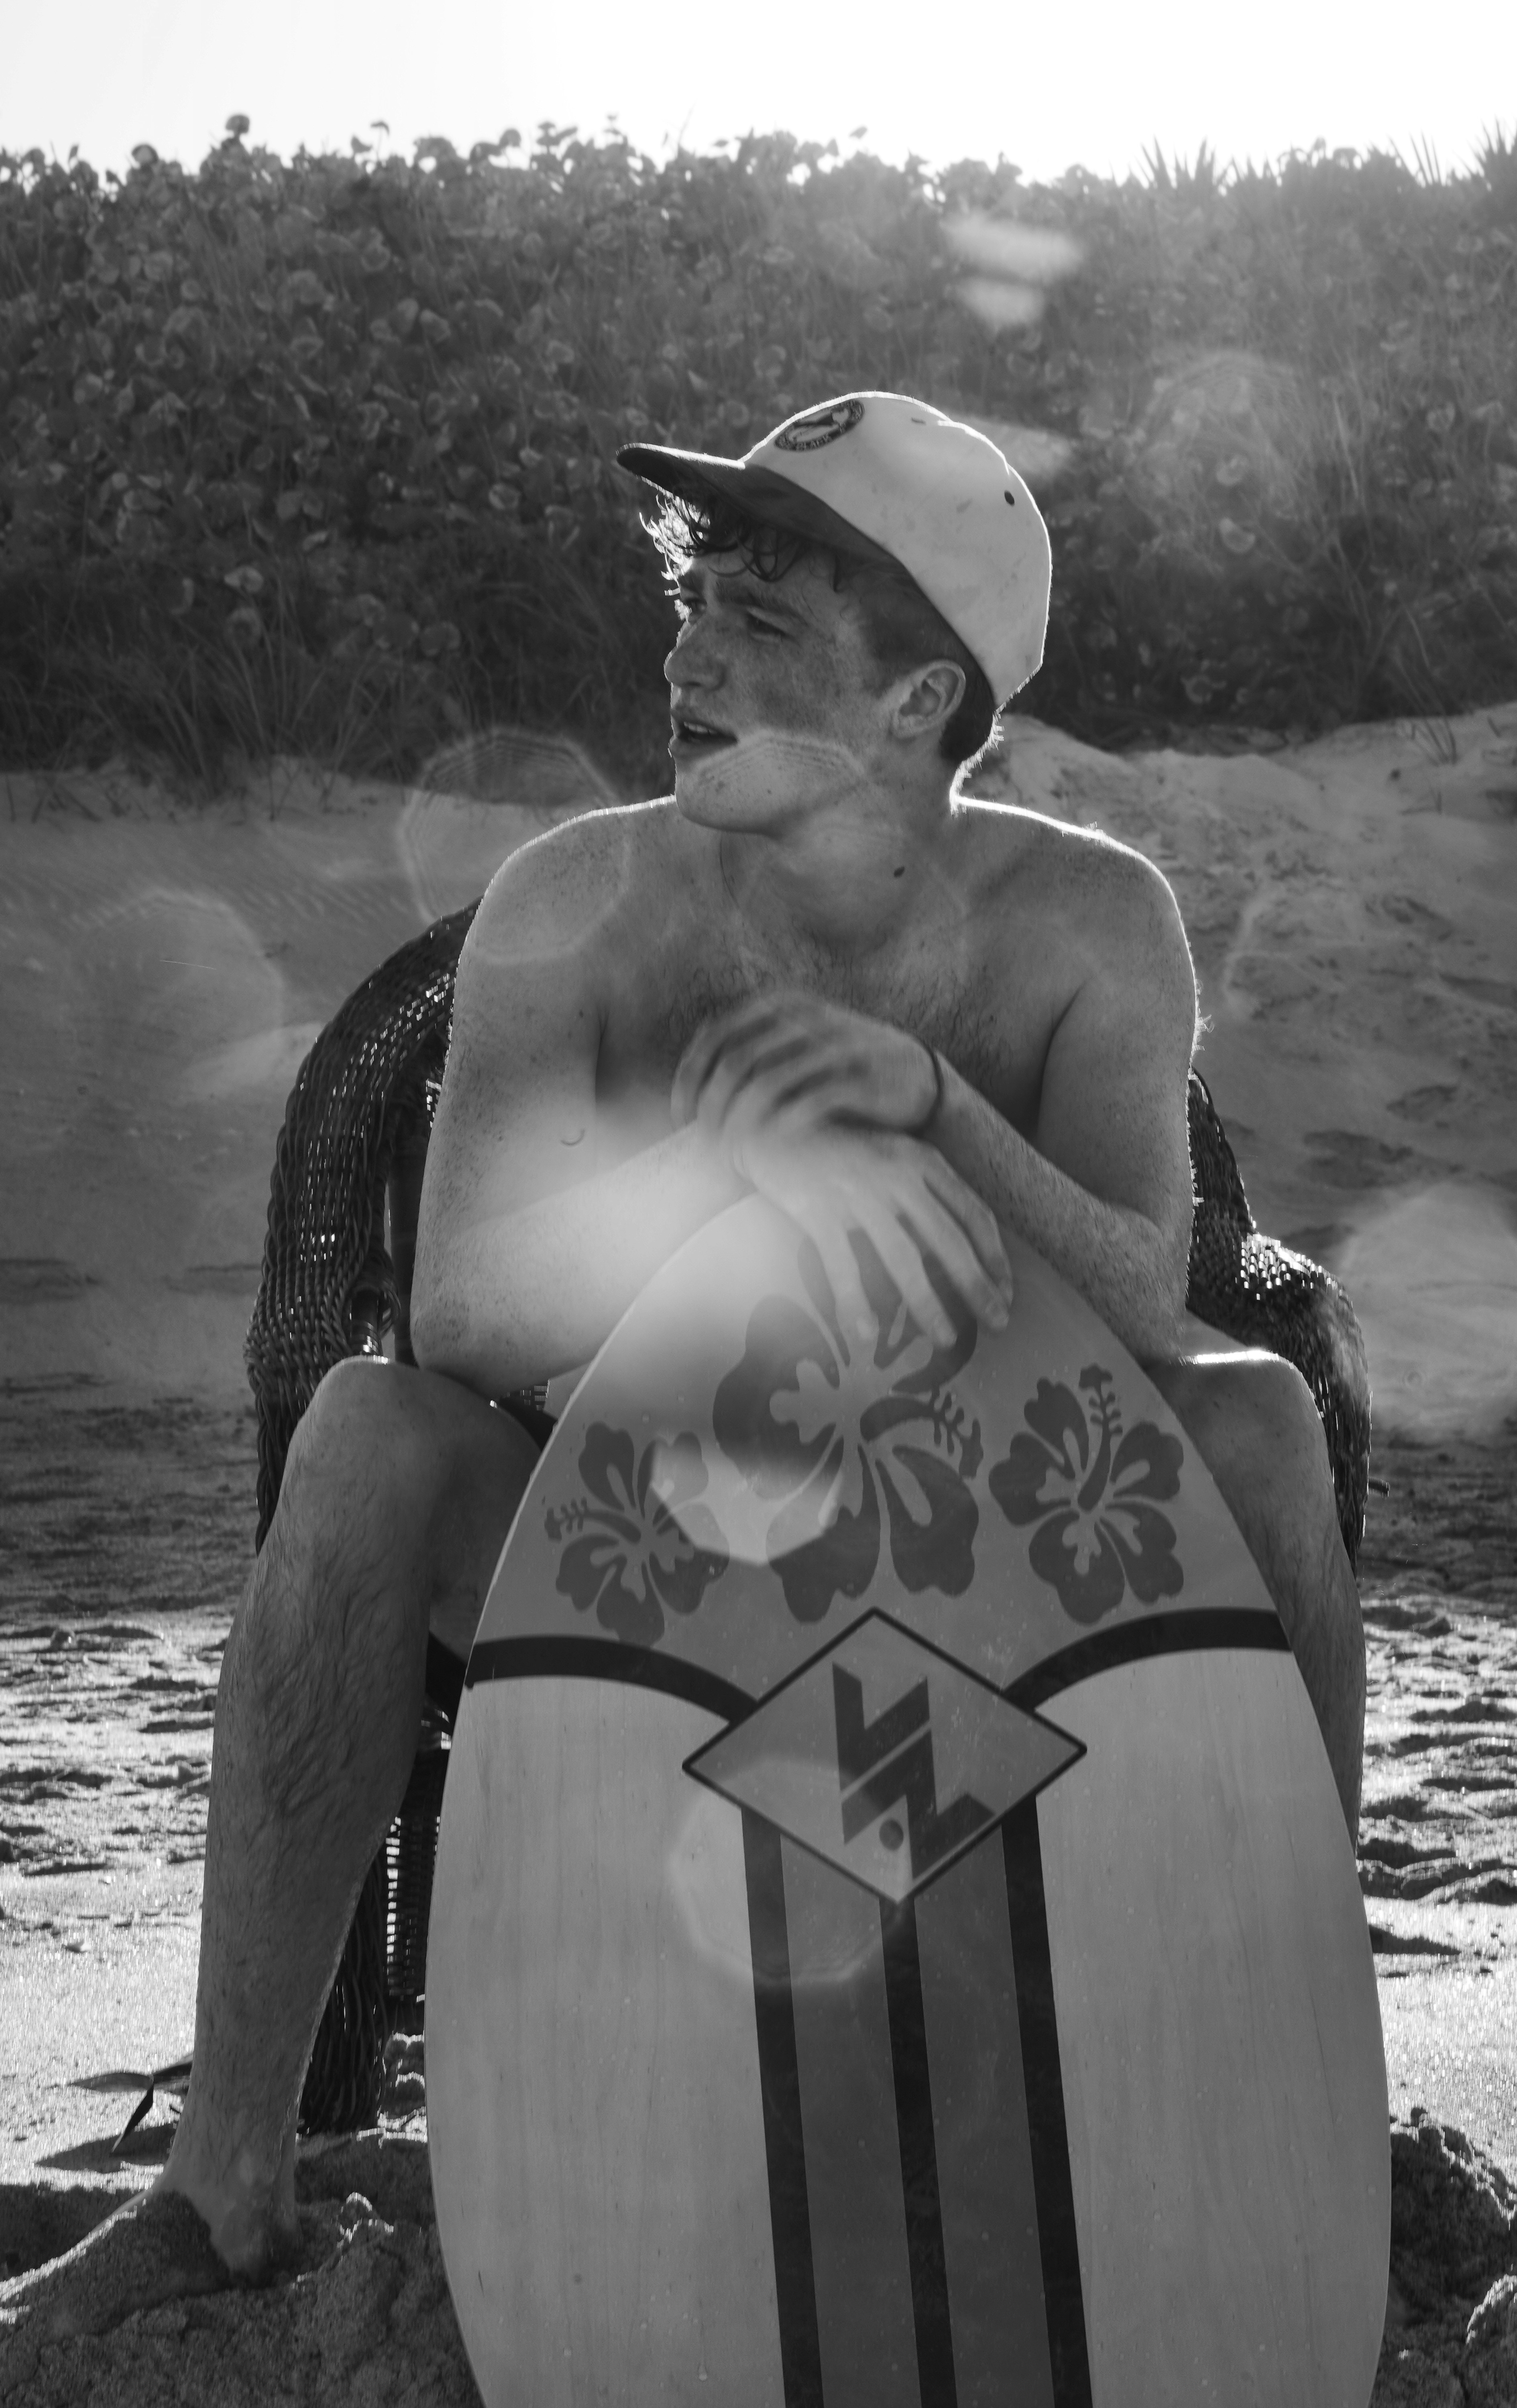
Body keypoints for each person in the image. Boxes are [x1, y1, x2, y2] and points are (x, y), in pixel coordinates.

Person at [11, 393, 1365, 2325]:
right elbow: (469, 1298)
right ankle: (223, 2177)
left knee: (1259, 1430)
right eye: (693, 600)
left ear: (919, 700)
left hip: (1015, 1595)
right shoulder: (583, 900)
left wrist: (927, 1116)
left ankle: (1278, 2090)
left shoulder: (1085, 924)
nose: (686, 654)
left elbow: (1160, 1301)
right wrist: (738, 1191)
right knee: (369, 1442)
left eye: (763, 625)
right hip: (647, 1574)